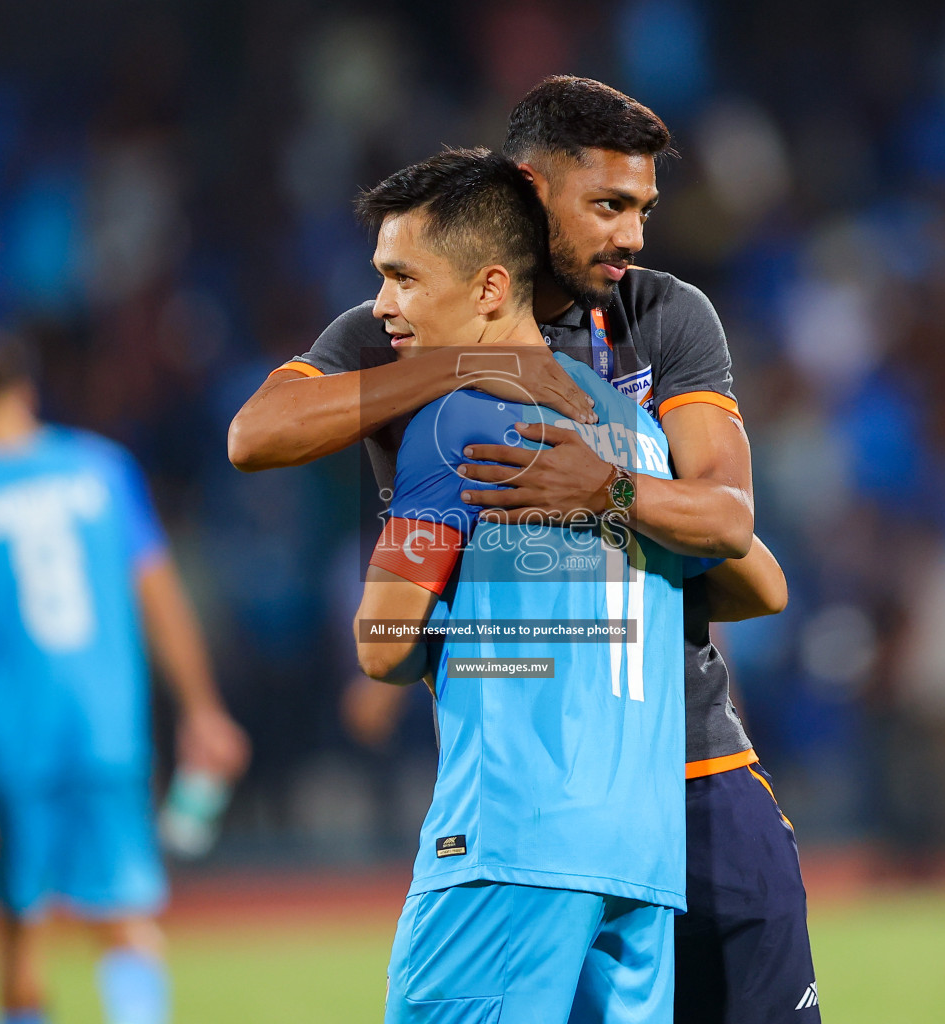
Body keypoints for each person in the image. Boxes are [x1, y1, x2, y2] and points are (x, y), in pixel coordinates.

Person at [231, 76, 817, 1021]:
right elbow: (257, 433)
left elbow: (731, 523)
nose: (633, 235)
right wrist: (473, 363)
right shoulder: (417, 322)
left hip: (665, 778)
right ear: (530, 191)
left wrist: (605, 496)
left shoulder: (659, 316)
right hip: (603, 807)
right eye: (609, 206)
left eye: (642, 209)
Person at [351, 145, 694, 1023]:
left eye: (402, 277)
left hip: (511, 840)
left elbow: (382, 644)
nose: (383, 305)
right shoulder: (638, 436)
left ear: (491, 290)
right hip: (643, 862)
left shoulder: (456, 417)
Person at [0, 336, 249, 1024]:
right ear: (23, 396)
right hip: (107, 729)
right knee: (123, 913)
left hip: (11, 740)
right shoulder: (103, 469)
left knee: (19, 925)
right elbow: (159, 596)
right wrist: (202, 708)